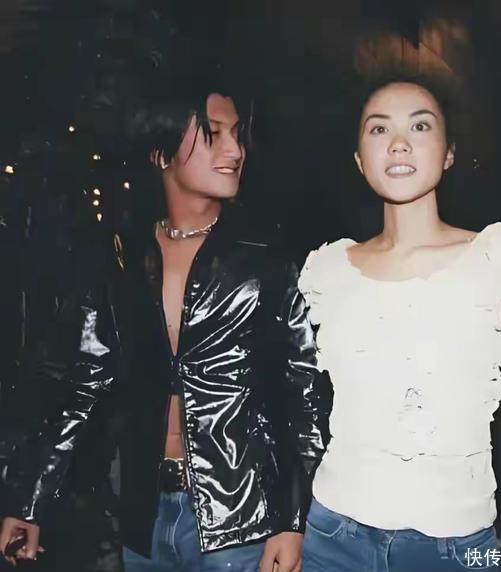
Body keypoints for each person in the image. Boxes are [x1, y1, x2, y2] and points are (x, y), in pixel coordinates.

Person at [0, 81, 333, 572]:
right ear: (161, 154)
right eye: (213, 134)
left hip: (245, 523)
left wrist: (295, 519)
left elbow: (305, 394)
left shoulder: (268, 259)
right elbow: (83, 383)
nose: (235, 150)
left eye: (237, 134)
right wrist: (29, 500)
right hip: (145, 520)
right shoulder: (123, 259)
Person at [299, 75, 501, 571]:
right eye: (379, 129)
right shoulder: (326, 272)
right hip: (332, 535)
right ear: (360, 159)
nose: (399, 142)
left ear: (449, 152)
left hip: (450, 546)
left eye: (420, 125)